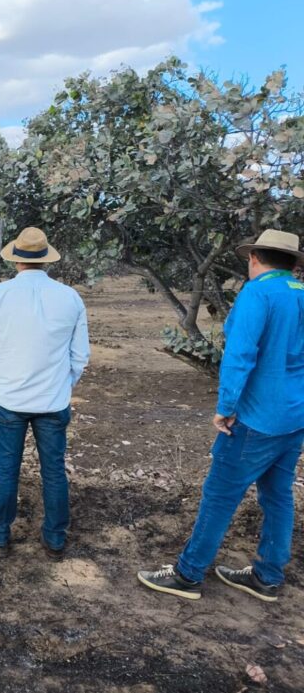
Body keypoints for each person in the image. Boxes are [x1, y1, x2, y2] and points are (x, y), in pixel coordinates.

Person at [138, 229, 304, 602]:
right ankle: (267, 575)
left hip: (257, 418)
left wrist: (226, 408)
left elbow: (239, 355)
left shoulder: (257, 294)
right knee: (278, 496)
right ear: (292, 263)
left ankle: (188, 574)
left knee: (219, 495)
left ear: (254, 258)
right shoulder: (301, 293)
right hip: (294, 418)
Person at [0, 227, 90, 559]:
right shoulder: (70, 297)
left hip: (8, 398)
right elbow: (80, 356)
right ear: (46, 260)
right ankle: (55, 539)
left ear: (15, 259)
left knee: (6, 467)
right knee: (54, 469)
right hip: (53, 401)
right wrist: (65, 384)